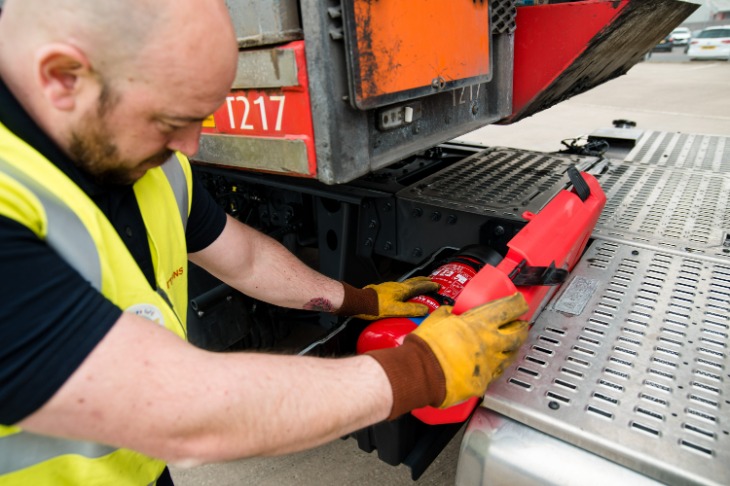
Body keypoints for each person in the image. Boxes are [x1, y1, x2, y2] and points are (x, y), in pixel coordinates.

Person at [0, 0, 529, 484]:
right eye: (170, 121)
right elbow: (184, 414)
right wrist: (420, 372)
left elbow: (246, 258)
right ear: (63, 78)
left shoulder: (154, 168)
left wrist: (363, 300)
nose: (187, 147)